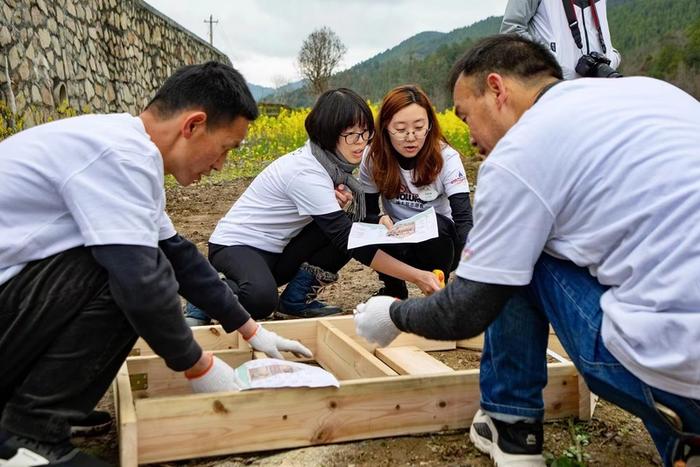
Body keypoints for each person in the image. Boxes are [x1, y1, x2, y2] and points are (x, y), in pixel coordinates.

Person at [353, 35, 700, 467]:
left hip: (673, 367)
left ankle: (512, 426)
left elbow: (469, 310)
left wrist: (392, 316)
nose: (470, 136)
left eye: (465, 115)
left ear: (497, 89)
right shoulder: (654, 93)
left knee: (518, 252)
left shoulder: (519, 154)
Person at [0, 62, 312, 466]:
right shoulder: (120, 157)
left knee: (143, 259)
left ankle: (33, 415)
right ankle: (30, 436)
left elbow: (181, 256)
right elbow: (143, 282)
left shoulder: (125, 148)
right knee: (126, 272)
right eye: (226, 149)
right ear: (193, 125)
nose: (221, 165)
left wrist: (251, 330)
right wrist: (199, 367)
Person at [183, 87, 442, 325]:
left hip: (277, 250)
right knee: (260, 301)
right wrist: (416, 275)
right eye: (352, 134)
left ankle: (296, 299)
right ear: (328, 133)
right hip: (238, 246)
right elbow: (349, 241)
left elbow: (351, 229)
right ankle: (202, 298)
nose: (361, 142)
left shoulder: (334, 167)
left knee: (352, 225)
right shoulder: (306, 172)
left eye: (365, 133)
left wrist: (378, 219)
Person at [359, 84, 473, 299]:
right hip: (398, 240)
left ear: (430, 124)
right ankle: (394, 290)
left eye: (419, 128)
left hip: (442, 244)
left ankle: (438, 286)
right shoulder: (373, 157)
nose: (410, 137)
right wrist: (380, 219)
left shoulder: (446, 158)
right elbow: (369, 212)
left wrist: (474, 270)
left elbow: (464, 218)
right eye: (400, 130)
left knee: (436, 224)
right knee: (359, 230)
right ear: (384, 127)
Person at [501, 0, 621, 79]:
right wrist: (550, 66)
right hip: (557, 91)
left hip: (600, 86)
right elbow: (511, 31)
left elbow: (597, 31)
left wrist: (612, 57)